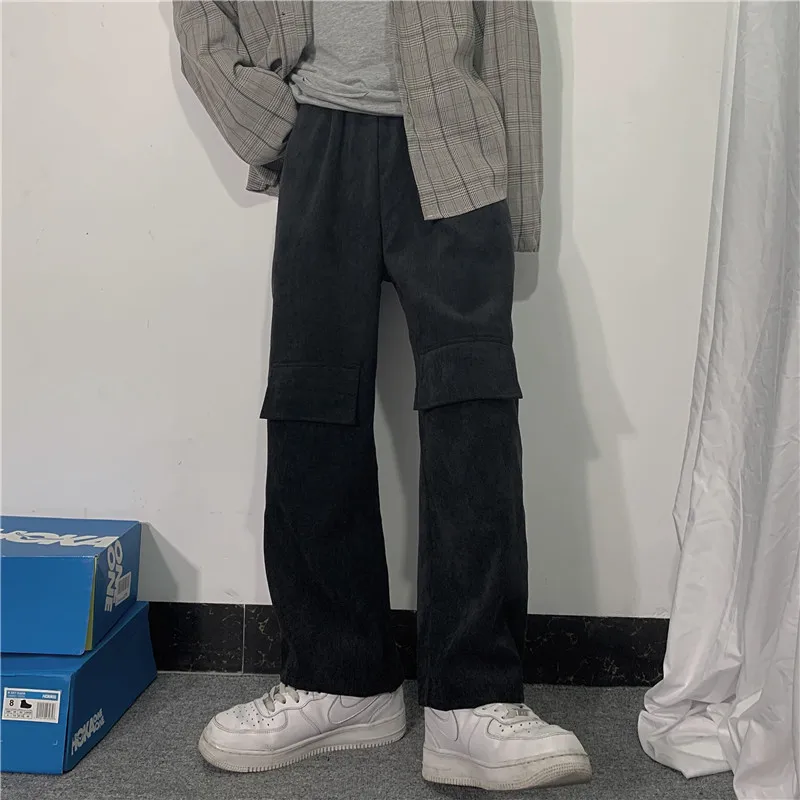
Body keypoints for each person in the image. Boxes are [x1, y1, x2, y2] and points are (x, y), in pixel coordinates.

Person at [174, 0, 591, 791]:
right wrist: (267, 120)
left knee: (474, 405)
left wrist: (517, 201)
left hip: (455, 138)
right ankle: (339, 681)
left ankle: (475, 698)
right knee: (311, 403)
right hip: (318, 131)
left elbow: (508, 27)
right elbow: (202, 14)